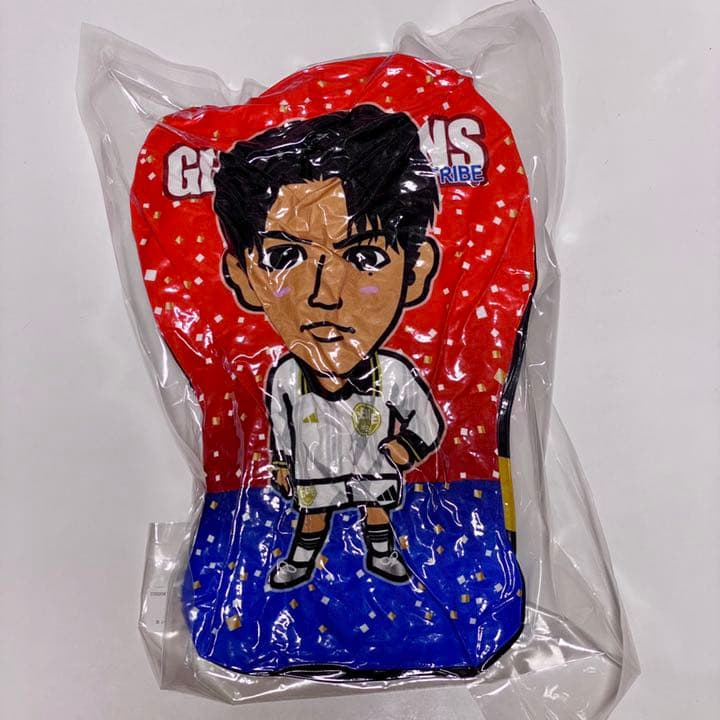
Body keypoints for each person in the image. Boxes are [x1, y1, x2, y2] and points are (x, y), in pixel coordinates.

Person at [214, 104, 444, 590]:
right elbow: (281, 424)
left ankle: (382, 553)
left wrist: (407, 447)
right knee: (312, 515)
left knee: (376, 508)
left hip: (373, 465)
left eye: (366, 256)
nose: (325, 294)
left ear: (416, 269)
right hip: (314, 467)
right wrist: (281, 463)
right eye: (284, 256)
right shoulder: (285, 377)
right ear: (242, 275)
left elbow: (426, 419)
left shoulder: (393, 374)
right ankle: (300, 561)